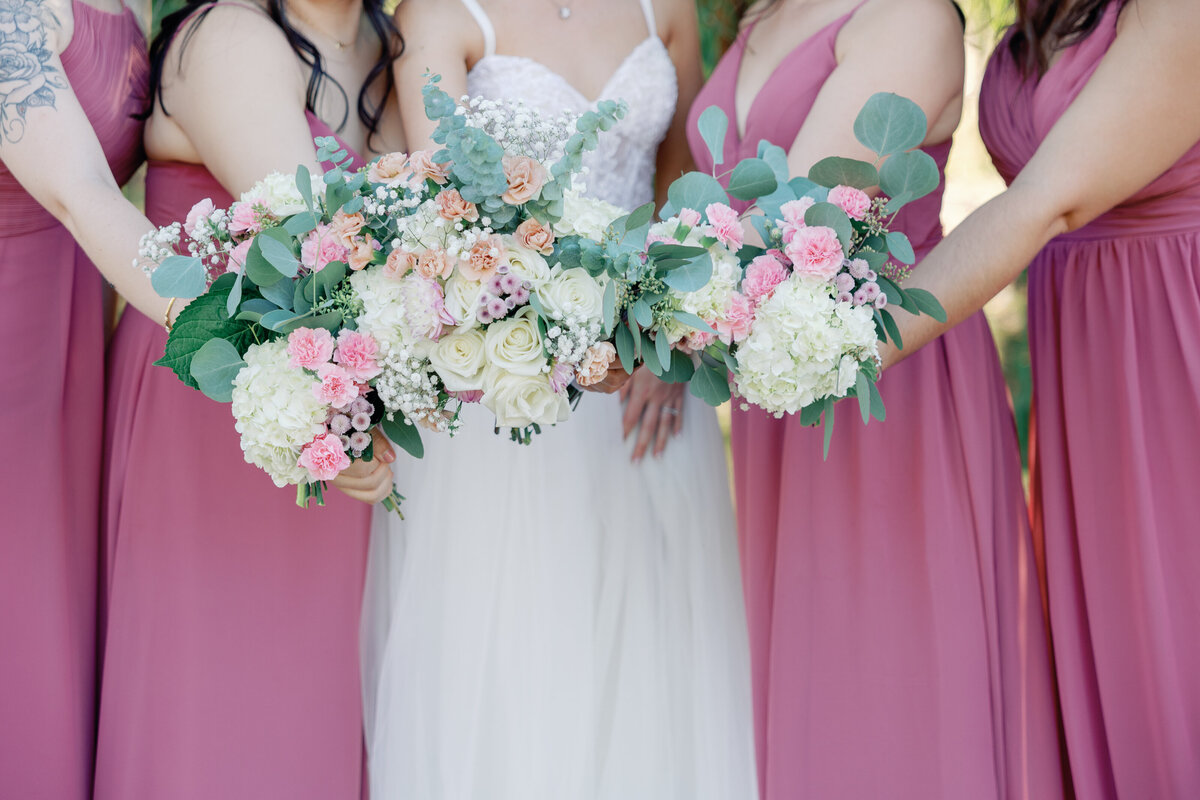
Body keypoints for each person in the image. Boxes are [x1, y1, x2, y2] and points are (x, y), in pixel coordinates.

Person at [360, 0, 757, 797]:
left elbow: (682, 190)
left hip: (649, 395)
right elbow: (448, 217)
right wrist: (573, 344)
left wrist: (666, 338)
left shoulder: (663, 10)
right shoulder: (440, 15)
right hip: (503, 389)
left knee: (655, 658)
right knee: (515, 657)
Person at [688, 0, 1065, 796]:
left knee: (890, 675)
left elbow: (790, 216)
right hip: (783, 387)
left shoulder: (907, 17)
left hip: (890, 378)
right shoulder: (761, 15)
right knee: (809, 669)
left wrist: (614, 309)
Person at [885, 0, 1200, 795]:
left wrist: (845, 344)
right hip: (1086, 364)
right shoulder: (1034, 16)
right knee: (1120, 646)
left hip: (1176, 340)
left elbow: (1044, 203)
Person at [93, 2, 402, 797]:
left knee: (308, 695)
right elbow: (310, 249)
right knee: (215, 698)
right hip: (214, 403)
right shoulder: (231, 33)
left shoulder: (381, 38)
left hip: (333, 406)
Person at [0, 0, 160, 795]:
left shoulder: (131, 6)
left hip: (71, 355)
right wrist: (248, 333)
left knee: (54, 636)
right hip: (10, 361)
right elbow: (82, 193)